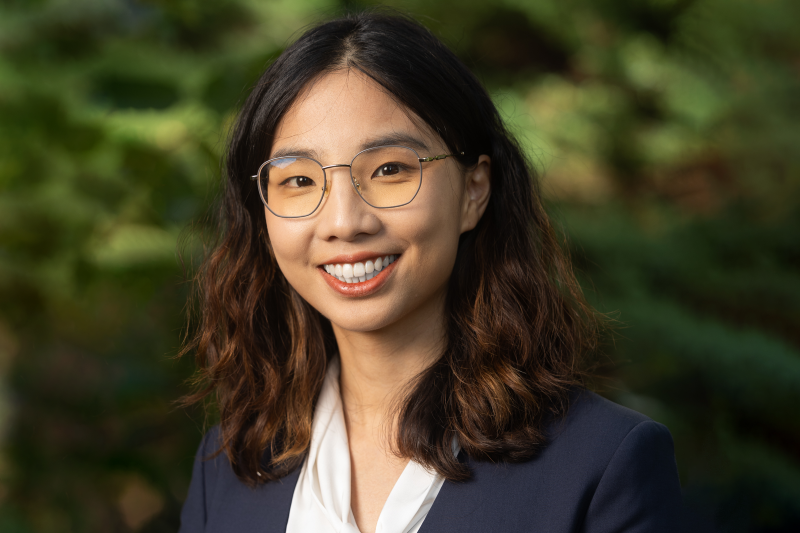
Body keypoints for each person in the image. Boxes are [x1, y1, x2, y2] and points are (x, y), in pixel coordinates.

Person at [178, 11, 684, 533]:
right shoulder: (233, 465)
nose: (343, 223)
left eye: (390, 170)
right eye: (300, 180)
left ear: (473, 190)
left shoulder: (602, 465)